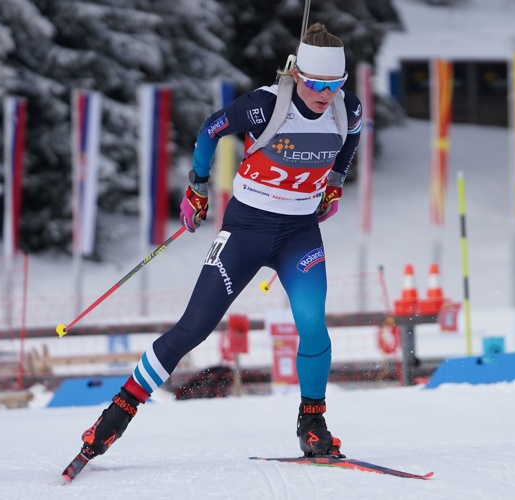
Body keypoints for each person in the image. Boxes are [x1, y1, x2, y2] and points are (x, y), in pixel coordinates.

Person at [78, 23, 362, 461]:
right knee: (194, 327)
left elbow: (351, 138)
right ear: (297, 75)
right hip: (246, 229)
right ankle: (117, 413)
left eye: (335, 84)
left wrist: (335, 183)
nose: (326, 94)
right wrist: (198, 186)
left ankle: (312, 423)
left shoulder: (347, 109)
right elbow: (211, 129)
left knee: (311, 324)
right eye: (317, 84)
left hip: (299, 234)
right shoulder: (265, 106)